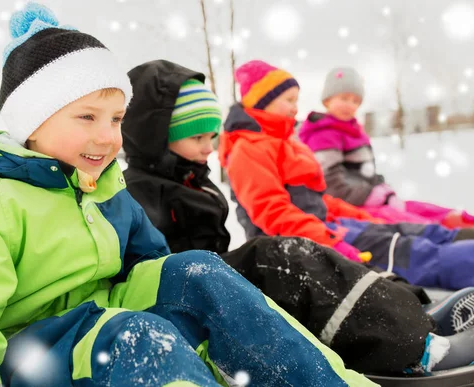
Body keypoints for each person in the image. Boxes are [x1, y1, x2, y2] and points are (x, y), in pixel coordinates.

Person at [0, 5, 372, 387]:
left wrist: (202, 313)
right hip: (33, 353)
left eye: (116, 118)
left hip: (106, 319)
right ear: (31, 123)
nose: (107, 137)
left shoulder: (104, 190)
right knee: (136, 335)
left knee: (197, 271)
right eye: (87, 117)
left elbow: (152, 268)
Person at [121, 59, 474, 375]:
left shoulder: (191, 179)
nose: (209, 148)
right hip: (189, 291)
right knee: (284, 259)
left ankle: (418, 320)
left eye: (211, 136)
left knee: (333, 260)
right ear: (157, 137)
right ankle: (415, 349)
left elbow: (321, 201)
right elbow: (267, 211)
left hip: (212, 279)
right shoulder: (140, 192)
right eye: (197, 137)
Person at [219, 59, 474, 291]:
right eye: (289, 100)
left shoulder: (283, 142)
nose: (296, 108)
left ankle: (460, 240)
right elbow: (273, 213)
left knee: (395, 230)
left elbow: (317, 201)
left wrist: (361, 217)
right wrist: (330, 239)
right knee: (406, 251)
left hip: (321, 228)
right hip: (294, 246)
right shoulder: (248, 149)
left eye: (297, 100)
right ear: (261, 101)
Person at [299, 66, 474, 229]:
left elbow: (365, 173)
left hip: (365, 199)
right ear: (327, 100)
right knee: (411, 223)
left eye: (355, 101)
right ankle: (449, 236)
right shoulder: (323, 134)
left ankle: (458, 221)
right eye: (344, 98)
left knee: (415, 207)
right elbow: (332, 186)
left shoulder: (354, 131)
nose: (349, 105)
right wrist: (374, 196)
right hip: (348, 207)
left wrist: (382, 188)